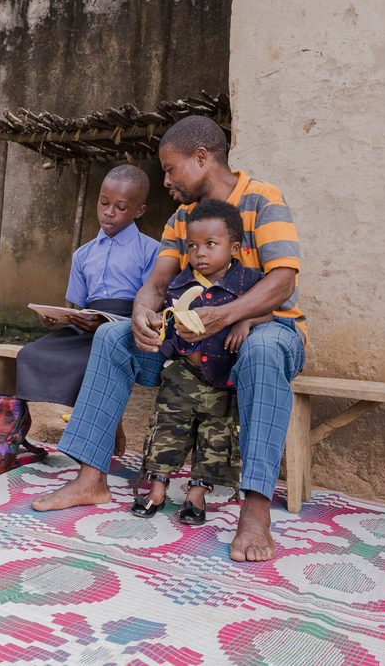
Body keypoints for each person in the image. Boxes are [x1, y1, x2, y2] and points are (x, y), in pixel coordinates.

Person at [32, 115, 306, 563]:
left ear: (202, 158)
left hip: (265, 330)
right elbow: (157, 283)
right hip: (194, 342)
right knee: (113, 337)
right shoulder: (182, 219)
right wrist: (142, 314)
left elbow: (283, 281)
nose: (165, 180)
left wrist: (227, 315)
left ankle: (255, 510)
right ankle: (90, 477)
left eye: (170, 168)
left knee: (261, 349)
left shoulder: (264, 199)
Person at [131, 200, 270, 525]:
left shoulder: (248, 283)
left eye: (211, 244)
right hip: (182, 374)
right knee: (168, 429)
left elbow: (270, 310)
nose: (200, 253)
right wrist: (160, 324)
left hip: (223, 377)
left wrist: (246, 321)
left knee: (215, 437)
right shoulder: (181, 283)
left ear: (235, 247)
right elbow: (166, 318)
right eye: (192, 246)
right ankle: (157, 489)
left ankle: (197, 494)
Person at [16, 164, 159, 410]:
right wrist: (56, 317)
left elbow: (153, 303)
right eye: (103, 203)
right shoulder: (83, 254)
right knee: (30, 353)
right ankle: (17, 425)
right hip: (88, 327)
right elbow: (81, 307)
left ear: (139, 210)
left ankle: (106, 423)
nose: (109, 212)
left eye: (121, 207)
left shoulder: (151, 251)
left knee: (92, 362)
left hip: (128, 327)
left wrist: (110, 324)